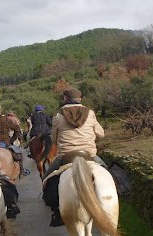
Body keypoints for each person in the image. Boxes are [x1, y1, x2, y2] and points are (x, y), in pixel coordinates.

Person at [43, 87, 106, 227]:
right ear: (80, 99)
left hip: (66, 157)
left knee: (47, 179)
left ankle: (56, 212)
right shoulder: (90, 113)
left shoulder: (58, 116)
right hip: (88, 155)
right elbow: (101, 134)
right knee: (110, 175)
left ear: (65, 99)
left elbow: (54, 139)